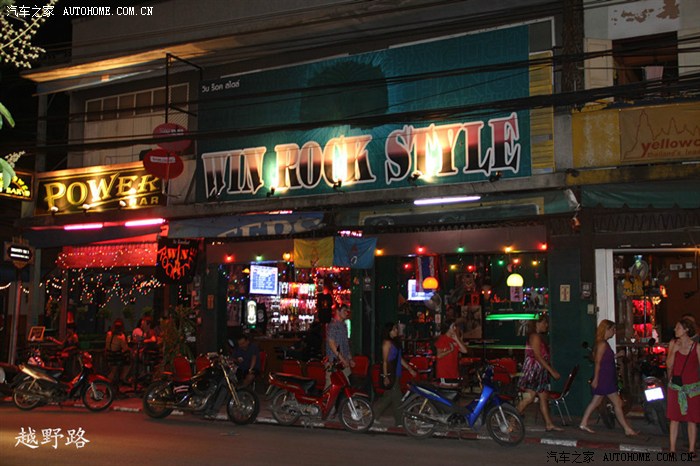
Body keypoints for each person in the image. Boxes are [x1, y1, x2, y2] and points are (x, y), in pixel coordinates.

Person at [579, 319, 638, 436]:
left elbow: (605, 359)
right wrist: (596, 378)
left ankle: (584, 422)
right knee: (617, 403)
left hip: (606, 377)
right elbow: (598, 362)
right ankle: (627, 429)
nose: (614, 332)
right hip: (604, 378)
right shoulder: (602, 344)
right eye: (613, 329)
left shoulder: (603, 343)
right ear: (607, 329)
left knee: (597, 401)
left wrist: (616, 355)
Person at [516, 314, 563, 432]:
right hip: (534, 371)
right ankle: (511, 420)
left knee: (543, 397)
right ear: (537, 323)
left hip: (538, 371)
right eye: (544, 323)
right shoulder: (535, 337)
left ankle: (549, 424)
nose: (546, 325)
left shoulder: (536, 336)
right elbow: (538, 356)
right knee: (529, 397)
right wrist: (551, 371)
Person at [666, 318, 700, 455]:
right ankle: (672, 449)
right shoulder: (673, 344)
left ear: (686, 330)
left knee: (692, 419)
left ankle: (691, 450)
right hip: (676, 387)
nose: (675, 330)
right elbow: (669, 365)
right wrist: (674, 351)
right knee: (674, 418)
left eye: (678, 327)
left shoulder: (696, 347)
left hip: (692, 389)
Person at [373, 322, 417, 427]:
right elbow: (385, 361)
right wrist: (385, 376)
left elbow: (399, 358)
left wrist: (409, 369)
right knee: (397, 398)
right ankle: (400, 421)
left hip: (396, 373)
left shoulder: (395, 343)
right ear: (389, 331)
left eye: (396, 329)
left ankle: (373, 415)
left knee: (388, 397)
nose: (396, 331)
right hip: (391, 373)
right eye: (394, 329)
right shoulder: (387, 343)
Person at [326, 304, 355, 386]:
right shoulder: (333, 326)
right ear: (337, 311)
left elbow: (345, 345)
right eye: (344, 311)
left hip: (343, 361)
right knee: (332, 386)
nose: (346, 313)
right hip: (334, 362)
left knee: (346, 385)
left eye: (347, 311)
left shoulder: (344, 325)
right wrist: (342, 359)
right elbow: (331, 344)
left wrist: (349, 359)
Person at [105, 319, 130, 389]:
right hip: (115, 357)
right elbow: (125, 348)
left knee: (113, 371)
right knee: (128, 362)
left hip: (108, 355)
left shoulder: (108, 334)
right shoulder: (120, 337)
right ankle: (123, 378)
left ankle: (111, 384)